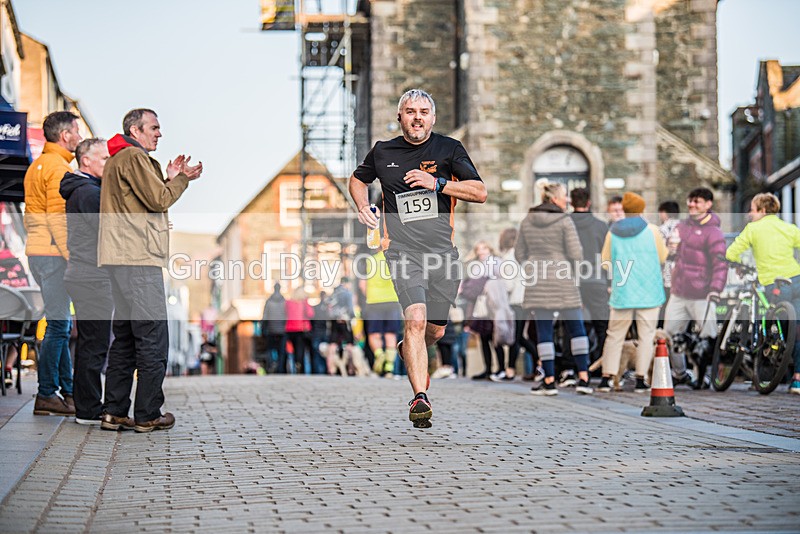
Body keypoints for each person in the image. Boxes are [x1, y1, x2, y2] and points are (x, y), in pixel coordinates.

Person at [348, 88, 487, 428]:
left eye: (423, 111)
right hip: (402, 252)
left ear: (433, 118)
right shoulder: (383, 152)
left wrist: (437, 182)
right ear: (400, 117)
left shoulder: (449, 149)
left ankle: (411, 349)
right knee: (415, 320)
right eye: (410, 111)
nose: (417, 117)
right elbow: (356, 180)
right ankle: (420, 396)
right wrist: (363, 206)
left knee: (434, 332)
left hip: (443, 256)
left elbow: (479, 192)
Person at [98, 109, 203, 432]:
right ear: (135, 129)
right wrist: (182, 179)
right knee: (153, 337)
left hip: (119, 258)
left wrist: (168, 175)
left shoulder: (119, 159)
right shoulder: (133, 157)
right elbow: (158, 200)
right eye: (154, 128)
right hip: (138, 258)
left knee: (126, 338)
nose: (159, 134)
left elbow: (142, 198)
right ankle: (148, 414)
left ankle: (114, 412)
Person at [24, 111, 82, 416]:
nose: (80, 137)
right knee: (59, 326)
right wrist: (72, 258)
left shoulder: (37, 166)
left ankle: (67, 392)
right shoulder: (58, 168)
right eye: (77, 131)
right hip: (53, 254)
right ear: (65, 136)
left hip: (38, 252)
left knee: (60, 323)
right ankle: (47, 393)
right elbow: (59, 220)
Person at [515, 181, 593, 395]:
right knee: (576, 328)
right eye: (564, 196)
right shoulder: (564, 220)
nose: (566, 200)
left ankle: (549, 380)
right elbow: (577, 253)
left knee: (544, 332)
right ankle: (584, 379)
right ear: (555, 198)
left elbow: (519, 254)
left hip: (538, 281)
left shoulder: (527, 221)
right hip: (563, 279)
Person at [726, 193, 800, 395]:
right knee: (797, 328)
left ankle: (766, 371)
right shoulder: (788, 227)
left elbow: (731, 252)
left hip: (773, 283)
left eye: (752, 209)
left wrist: (738, 264)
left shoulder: (753, 229)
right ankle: (797, 380)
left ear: (763, 210)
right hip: (796, 278)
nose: (749, 214)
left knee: (770, 326)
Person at [60, 138, 112, 425]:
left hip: (84, 275)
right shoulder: (88, 193)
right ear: (86, 161)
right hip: (91, 277)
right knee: (95, 344)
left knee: (92, 343)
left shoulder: (86, 190)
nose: (108, 162)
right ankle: (89, 409)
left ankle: (87, 406)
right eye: (103, 158)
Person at [598, 192, 668, 393]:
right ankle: (640, 378)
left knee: (614, 335)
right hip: (649, 291)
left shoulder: (612, 232)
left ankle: (607, 377)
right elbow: (662, 257)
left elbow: (605, 262)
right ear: (642, 209)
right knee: (646, 336)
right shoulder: (652, 230)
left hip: (623, 291)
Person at [663, 188, 727, 388]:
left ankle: (708, 375)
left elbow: (720, 264)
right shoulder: (682, 226)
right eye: (690, 201)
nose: (691, 205)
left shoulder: (714, 232)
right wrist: (670, 250)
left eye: (697, 201)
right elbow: (671, 253)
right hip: (679, 292)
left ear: (708, 204)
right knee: (669, 335)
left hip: (702, 295)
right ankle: (680, 373)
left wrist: (716, 288)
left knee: (708, 336)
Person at [570, 187, 610, 367]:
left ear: (571, 202)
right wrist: (609, 281)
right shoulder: (601, 226)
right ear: (588, 203)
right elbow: (607, 256)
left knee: (571, 325)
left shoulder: (565, 223)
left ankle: (572, 368)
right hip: (597, 280)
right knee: (602, 326)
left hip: (572, 280)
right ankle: (602, 367)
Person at [495, 228, 536, 380]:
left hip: (514, 300)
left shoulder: (508, 257)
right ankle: (534, 362)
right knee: (519, 336)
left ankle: (513, 368)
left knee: (516, 337)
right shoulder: (523, 254)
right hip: (525, 299)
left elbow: (508, 284)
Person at [359, 249, 402, 377]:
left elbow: (362, 285)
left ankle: (379, 355)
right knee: (391, 335)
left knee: (374, 334)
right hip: (392, 302)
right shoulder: (396, 261)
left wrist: (371, 295)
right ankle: (389, 367)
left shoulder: (369, 260)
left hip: (373, 302)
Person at [657, 200, 681, 327]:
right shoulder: (686, 228)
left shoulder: (662, 229)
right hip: (683, 276)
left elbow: (658, 253)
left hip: (666, 276)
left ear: (664, 213)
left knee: (665, 310)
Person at [285, 287, 312, 374]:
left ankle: (291, 368)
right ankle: (299, 367)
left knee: (289, 350)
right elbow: (310, 314)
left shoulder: (288, 303)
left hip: (289, 329)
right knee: (300, 351)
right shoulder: (303, 303)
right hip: (300, 330)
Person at [261, 283, 287, 373]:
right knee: (281, 351)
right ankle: (280, 369)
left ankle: (270, 367)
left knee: (269, 349)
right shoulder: (284, 301)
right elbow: (286, 316)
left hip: (271, 329)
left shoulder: (269, 301)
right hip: (282, 330)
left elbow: (264, 317)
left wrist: (263, 329)